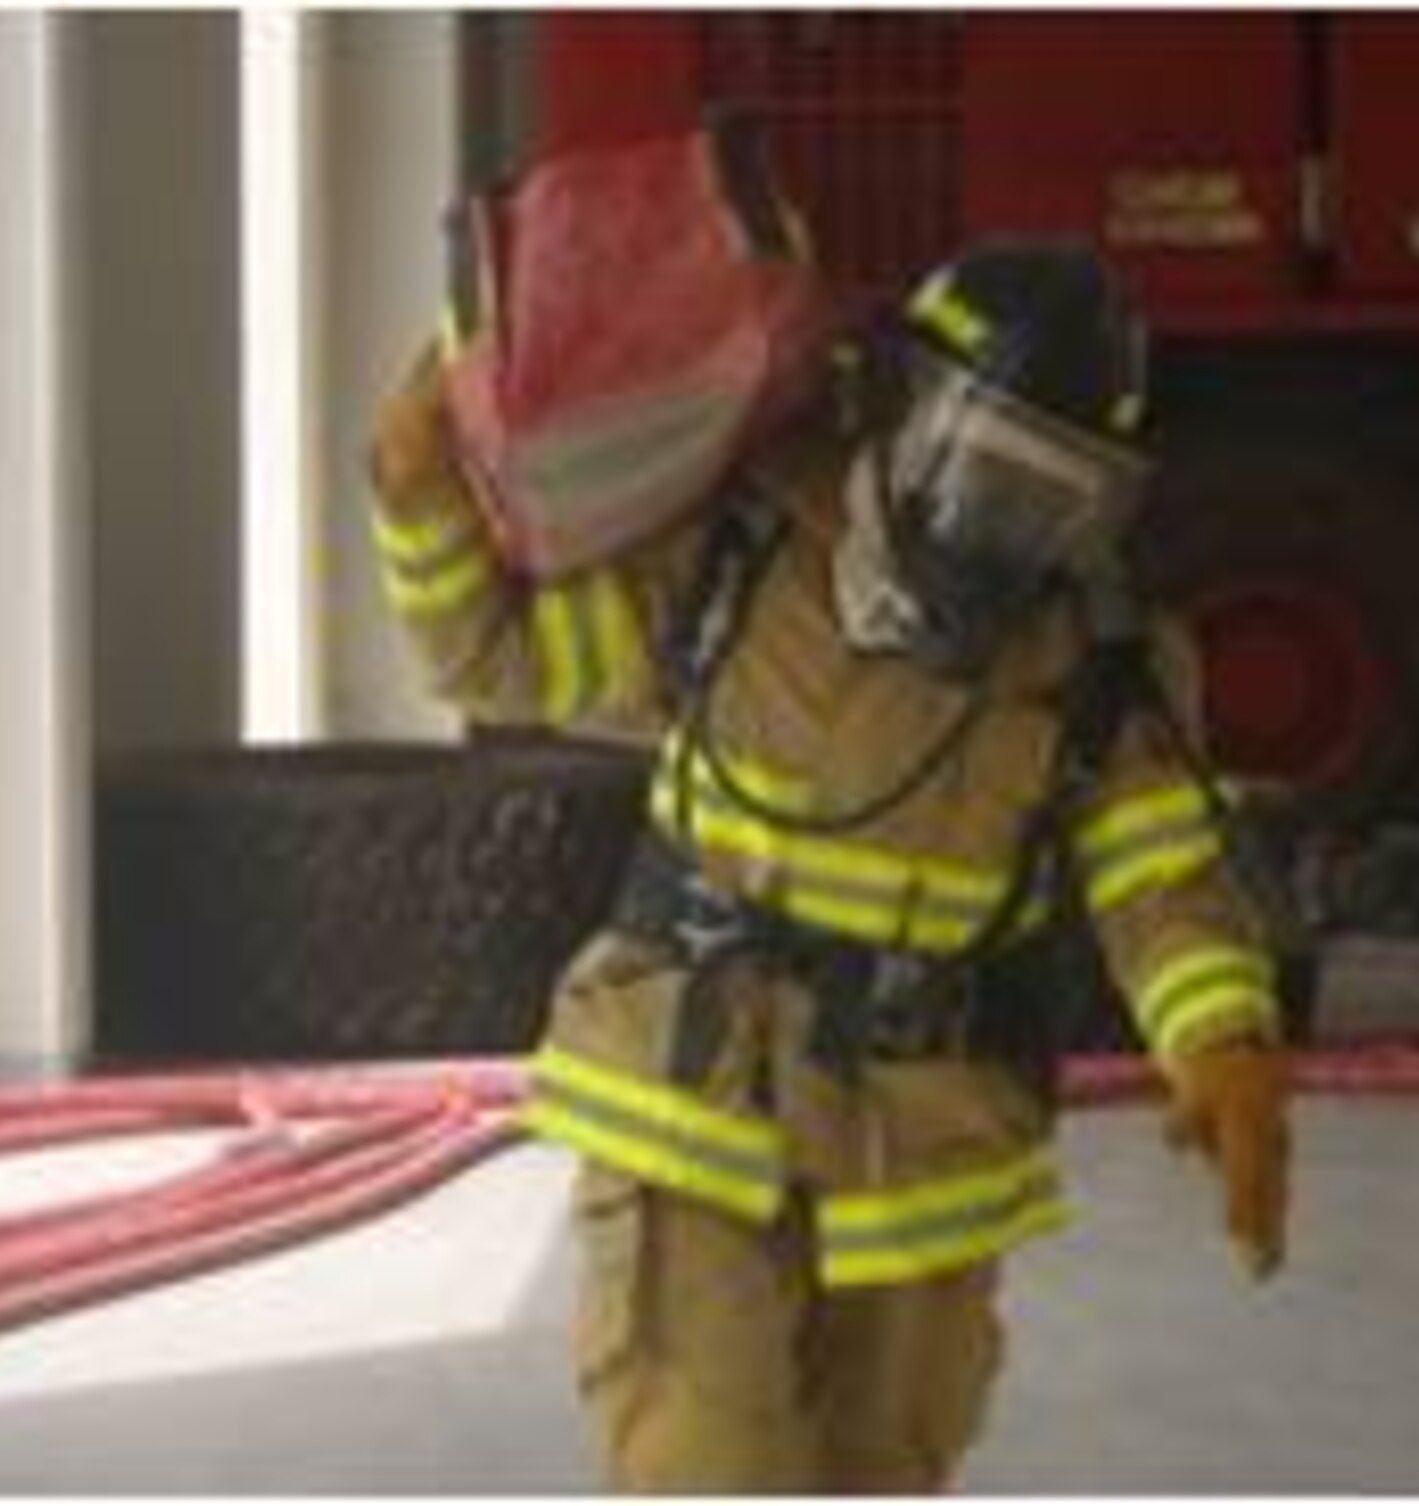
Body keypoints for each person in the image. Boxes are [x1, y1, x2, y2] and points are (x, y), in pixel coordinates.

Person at [367, 237, 1291, 1492]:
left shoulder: (1097, 658)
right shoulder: (740, 556)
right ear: (905, 407)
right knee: (711, 1467)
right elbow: (501, 658)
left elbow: (1156, 875)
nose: (1004, 525)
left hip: (928, 1145)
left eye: (1053, 492)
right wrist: (420, 498)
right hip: (694, 1104)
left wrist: (1220, 1040)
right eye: (987, 468)